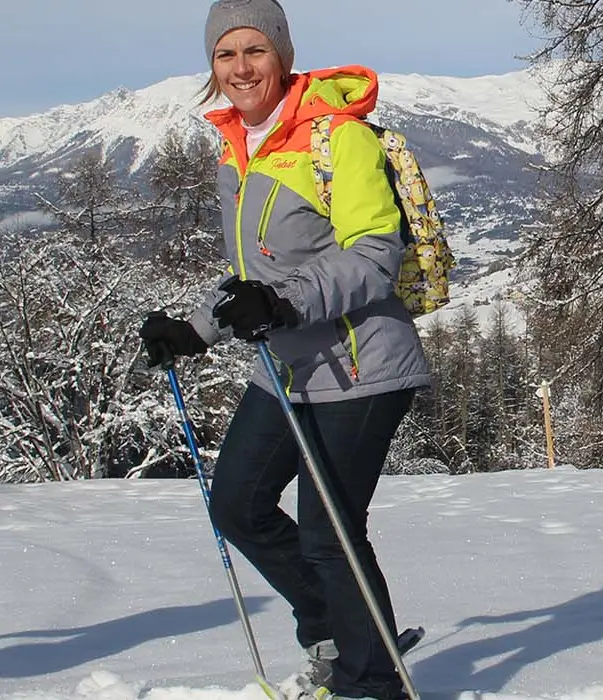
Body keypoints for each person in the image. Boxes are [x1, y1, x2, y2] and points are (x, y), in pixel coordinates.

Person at [138, 1, 431, 698]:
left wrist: (287, 301)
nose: (241, 68)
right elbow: (251, 275)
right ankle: (336, 633)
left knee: (330, 534)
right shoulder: (238, 146)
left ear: (282, 55)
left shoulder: (337, 138)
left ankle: (374, 682)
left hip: (363, 365)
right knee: (237, 505)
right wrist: (196, 330)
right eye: (225, 54)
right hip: (287, 367)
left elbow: (374, 254)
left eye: (254, 51)